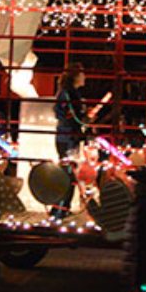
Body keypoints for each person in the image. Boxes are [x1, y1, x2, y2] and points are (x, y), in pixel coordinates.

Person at [52, 63, 88, 220]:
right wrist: (83, 119)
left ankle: (61, 208)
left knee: (69, 172)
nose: (84, 77)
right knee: (68, 173)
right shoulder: (69, 94)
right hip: (68, 137)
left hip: (68, 136)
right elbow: (71, 116)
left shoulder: (70, 94)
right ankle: (60, 208)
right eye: (82, 74)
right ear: (75, 76)